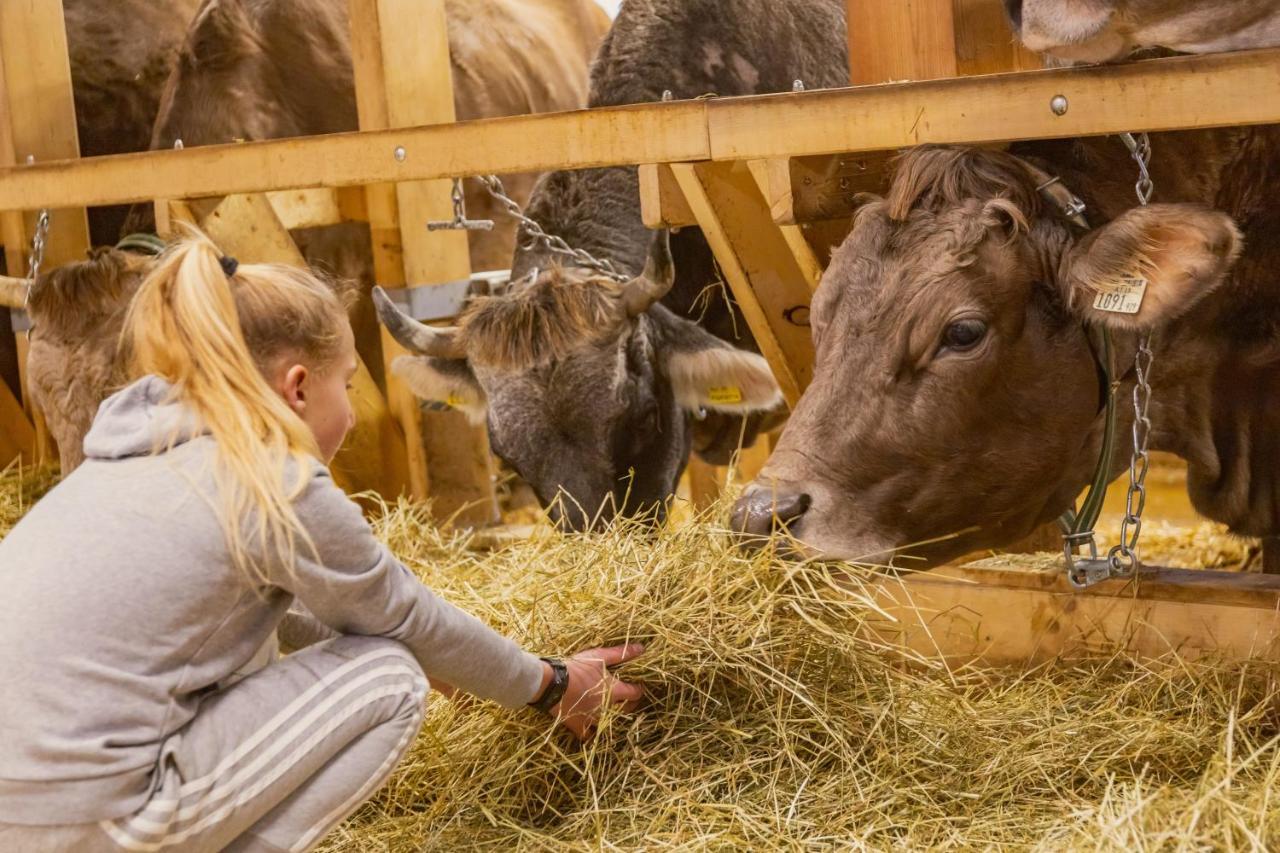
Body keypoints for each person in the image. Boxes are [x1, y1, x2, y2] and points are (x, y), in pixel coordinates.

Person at [0, 231, 644, 852]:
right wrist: (554, 684)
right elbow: (402, 615)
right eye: (349, 385)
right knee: (388, 677)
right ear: (298, 387)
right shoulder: (273, 479)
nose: (353, 409)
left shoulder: (129, 458)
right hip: (98, 819)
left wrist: (451, 661)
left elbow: (291, 621)